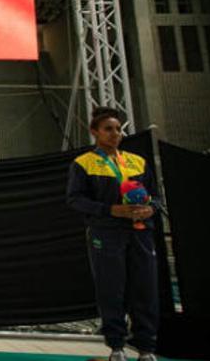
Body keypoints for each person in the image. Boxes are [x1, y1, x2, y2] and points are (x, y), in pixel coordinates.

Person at [66, 107, 160, 361]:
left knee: (145, 289)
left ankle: (146, 347)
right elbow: (75, 200)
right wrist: (110, 210)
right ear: (94, 132)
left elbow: (157, 197)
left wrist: (150, 209)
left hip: (140, 233)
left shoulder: (137, 161)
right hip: (106, 234)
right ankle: (116, 346)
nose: (115, 134)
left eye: (118, 129)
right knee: (111, 289)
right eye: (108, 129)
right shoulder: (83, 163)